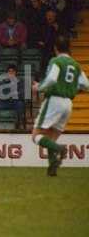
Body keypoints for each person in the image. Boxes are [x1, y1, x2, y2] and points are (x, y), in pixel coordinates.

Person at [32, 37, 89, 176]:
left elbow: (51, 79)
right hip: (68, 103)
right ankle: (52, 167)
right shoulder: (75, 65)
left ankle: (60, 149)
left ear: (55, 48)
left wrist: (39, 87)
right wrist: (71, 86)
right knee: (51, 137)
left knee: (36, 136)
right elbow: (86, 85)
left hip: (54, 100)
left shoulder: (56, 61)